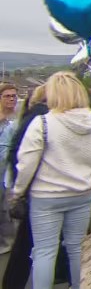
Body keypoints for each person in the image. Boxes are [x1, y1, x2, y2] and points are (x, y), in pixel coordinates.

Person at [12, 72, 91, 289]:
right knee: (76, 248)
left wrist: (17, 191)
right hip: (82, 194)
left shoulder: (43, 123)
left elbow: (26, 163)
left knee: (44, 251)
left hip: (45, 196)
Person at [3, 86, 71, 288]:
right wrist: (19, 190)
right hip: (40, 189)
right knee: (39, 247)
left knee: (32, 244)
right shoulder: (42, 119)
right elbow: (25, 158)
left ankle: (14, 282)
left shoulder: (33, 116)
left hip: (37, 188)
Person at [0, 83, 19, 254]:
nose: (11, 99)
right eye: (7, 96)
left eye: (13, 95)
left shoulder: (19, 118)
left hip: (12, 165)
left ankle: (8, 242)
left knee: (7, 205)